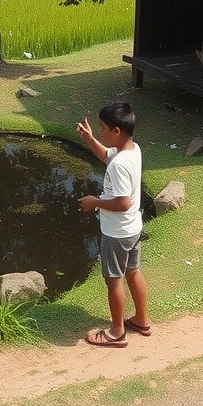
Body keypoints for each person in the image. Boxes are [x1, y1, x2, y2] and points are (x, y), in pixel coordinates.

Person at [77, 100, 151, 348]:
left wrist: (94, 202)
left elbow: (123, 202)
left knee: (114, 279)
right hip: (132, 229)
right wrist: (89, 139)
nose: (100, 132)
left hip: (117, 233)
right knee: (132, 272)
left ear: (116, 131)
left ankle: (117, 332)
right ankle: (141, 319)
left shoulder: (119, 164)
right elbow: (106, 155)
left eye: (102, 128)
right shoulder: (131, 150)